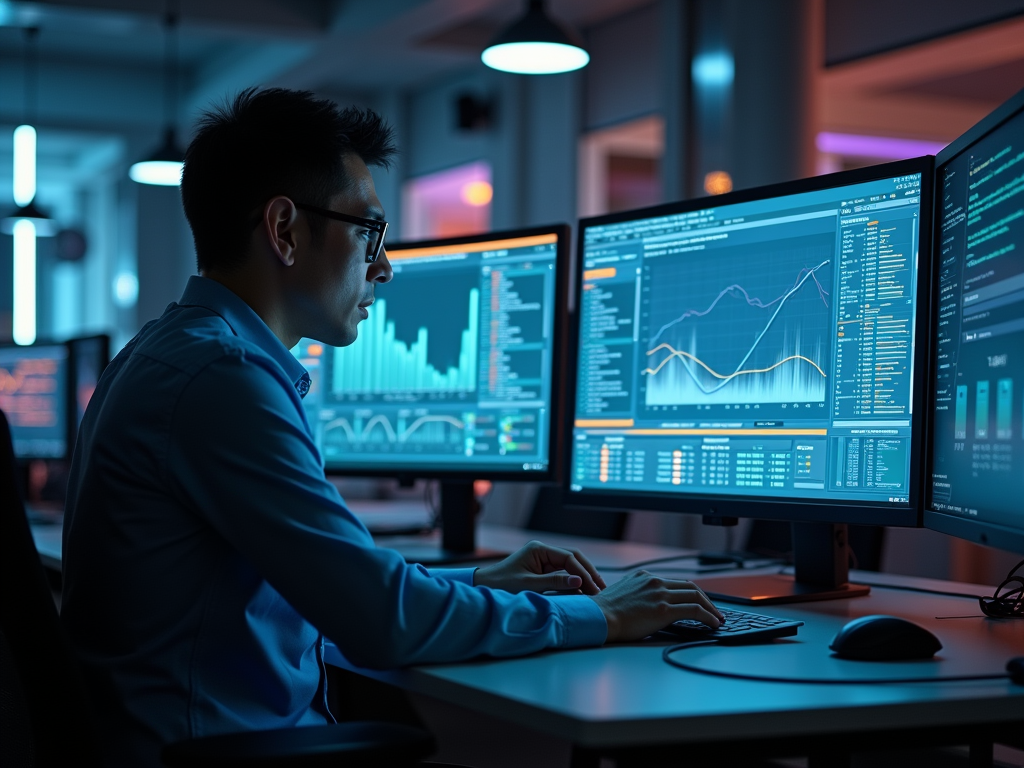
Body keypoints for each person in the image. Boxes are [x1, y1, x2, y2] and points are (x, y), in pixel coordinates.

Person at [61, 87, 723, 767]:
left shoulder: (169, 353)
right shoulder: (221, 382)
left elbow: (341, 591)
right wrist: (604, 615)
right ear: (284, 229)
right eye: (368, 232)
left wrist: (478, 585)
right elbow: (378, 621)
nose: (383, 266)